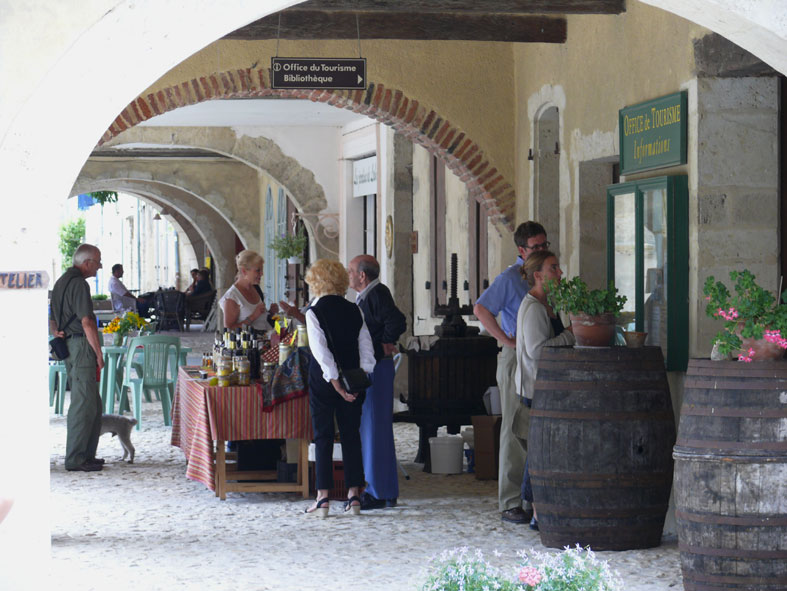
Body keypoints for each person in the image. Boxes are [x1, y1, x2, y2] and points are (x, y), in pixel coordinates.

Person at [472, 221, 549, 524]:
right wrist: (506, 340)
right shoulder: (509, 278)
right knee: (513, 427)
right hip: (515, 358)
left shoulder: (543, 276)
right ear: (521, 250)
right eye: (536, 247)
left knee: (530, 427)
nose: (542, 250)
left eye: (544, 244)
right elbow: (481, 309)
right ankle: (510, 501)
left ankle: (530, 498)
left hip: (536, 356)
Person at [303, 259, 376, 517]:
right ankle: (354, 495)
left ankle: (323, 497)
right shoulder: (354, 309)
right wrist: (356, 381)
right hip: (353, 380)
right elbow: (366, 349)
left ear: (316, 282)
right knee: (350, 435)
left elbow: (321, 353)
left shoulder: (314, 312)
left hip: (324, 383)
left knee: (323, 436)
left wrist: (335, 383)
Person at [515, 250, 575, 530]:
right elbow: (537, 352)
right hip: (536, 388)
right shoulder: (534, 308)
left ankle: (538, 509)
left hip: (547, 386)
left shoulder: (547, 304)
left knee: (540, 450)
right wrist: (571, 335)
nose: (560, 273)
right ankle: (536, 509)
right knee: (538, 451)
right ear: (538, 276)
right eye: (554, 268)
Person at [348, 255, 407, 510]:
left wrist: (384, 342)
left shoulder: (377, 294)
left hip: (376, 367)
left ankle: (378, 491)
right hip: (372, 364)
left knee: (375, 428)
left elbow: (397, 321)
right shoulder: (367, 296)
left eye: (351, 271)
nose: (348, 274)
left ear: (362, 276)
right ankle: (379, 487)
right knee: (372, 428)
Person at [49, 243, 106, 472]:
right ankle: (75, 458)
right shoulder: (79, 284)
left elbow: (51, 314)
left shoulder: (61, 281)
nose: (100, 266)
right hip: (82, 345)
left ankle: (86, 454)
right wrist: (98, 353)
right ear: (87, 263)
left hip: (68, 345)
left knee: (92, 402)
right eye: (98, 262)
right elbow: (87, 322)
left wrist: (54, 329)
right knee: (83, 404)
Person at [219, 250, 278, 331]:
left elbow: (260, 319)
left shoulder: (256, 288)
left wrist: (270, 313)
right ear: (244, 271)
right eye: (258, 270)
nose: (262, 274)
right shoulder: (232, 297)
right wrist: (253, 317)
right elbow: (229, 330)